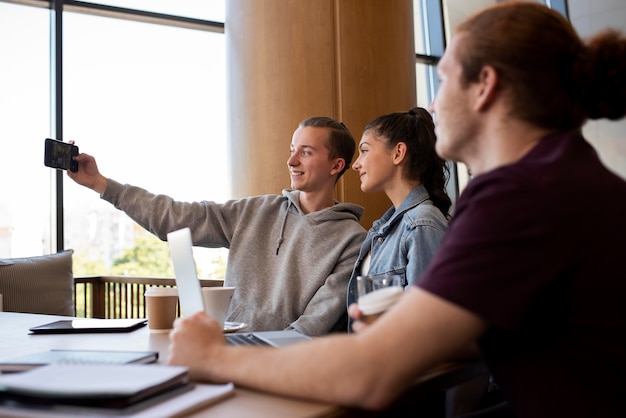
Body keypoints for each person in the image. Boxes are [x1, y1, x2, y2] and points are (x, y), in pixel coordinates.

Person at [167, 3, 626, 417]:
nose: (432, 102)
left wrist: (215, 356)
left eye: (443, 79)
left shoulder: (519, 196)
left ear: (485, 85)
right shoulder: (566, 177)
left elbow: (371, 375)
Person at [68, 117, 367, 336]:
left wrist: (254, 356)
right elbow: (175, 218)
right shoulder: (253, 211)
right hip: (226, 347)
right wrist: (99, 183)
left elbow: (314, 325)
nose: (290, 160)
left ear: (336, 166)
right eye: (292, 149)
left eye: (305, 152)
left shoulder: (352, 240)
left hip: (283, 366)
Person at [346, 107, 451, 310]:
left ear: (398, 153)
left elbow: (424, 316)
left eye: (365, 150)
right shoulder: (382, 229)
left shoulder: (422, 222)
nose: (356, 164)